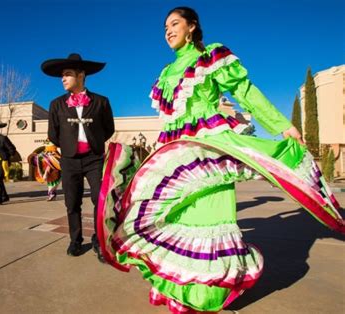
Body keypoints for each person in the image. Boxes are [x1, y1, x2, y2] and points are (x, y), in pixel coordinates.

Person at [97, 7, 344, 313]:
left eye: (175, 24)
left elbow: (245, 91)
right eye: (164, 27)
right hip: (175, 156)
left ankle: (206, 296)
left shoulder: (210, 56)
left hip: (209, 151)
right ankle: (179, 291)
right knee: (170, 219)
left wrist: (282, 124)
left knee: (209, 219)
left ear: (192, 27)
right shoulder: (166, 73)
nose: (168, 31)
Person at [42, 53, 115, 261]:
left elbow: (108, 129)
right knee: (72, 202)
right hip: (69, 160)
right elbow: (52, 134)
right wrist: (67, 146)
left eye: (67, 74)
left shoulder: (101, 102)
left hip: (95, 158)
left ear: (81, 75)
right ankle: (75, 240)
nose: (62, 79)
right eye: (62, 76)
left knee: (99, 199)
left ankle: (99, 240)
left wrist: (94, 143)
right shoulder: (56, 104)